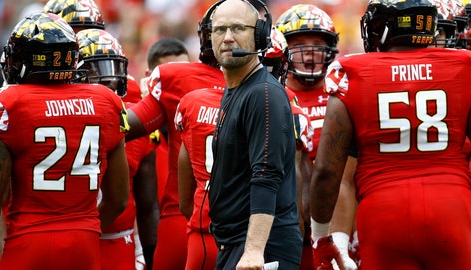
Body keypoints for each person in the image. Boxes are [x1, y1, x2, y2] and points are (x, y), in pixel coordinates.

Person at [310, 0, 471, 269]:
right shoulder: (464, 66)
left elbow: (327, 169)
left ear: (383, 28)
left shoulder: (353, 71)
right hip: (451, 206)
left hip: (384, 212)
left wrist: (321, 238)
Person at [0, 12, 129, 269]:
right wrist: (82, 227)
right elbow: (119, 198)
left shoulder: (7, 103)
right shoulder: (106, 100)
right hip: (84, 242)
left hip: (29, 240)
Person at [125, 6, 226, 270]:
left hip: (184, 217)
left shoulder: (177, 77)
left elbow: (124, 125)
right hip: (246, 223)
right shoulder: (271, 90)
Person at [207, 0, 302, 269]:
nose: (227, 38)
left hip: (259, 247)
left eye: (238, 28)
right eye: (220, 29)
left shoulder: (263, 93)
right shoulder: (237, 88)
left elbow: (266, 175)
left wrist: (253, 251)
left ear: (259, 35)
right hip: (236, 243)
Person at [275, 4, 357, 270]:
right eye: (299, 46)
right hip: (287, 231)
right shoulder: (271, 97)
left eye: (318, 45)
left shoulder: (345, 93)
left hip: (343, 228)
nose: (310, 54)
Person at [75, 28, 158, 270]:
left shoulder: (131, 112)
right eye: (96, 71)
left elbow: (146, 205)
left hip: (115, 239)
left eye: (112, 69)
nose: (108, 79)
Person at [138, 36, 191, 269]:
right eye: (171, 75)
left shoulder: (197, 121)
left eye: (185, 73)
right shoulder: (141, 126)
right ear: (150, 77)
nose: (179, 83)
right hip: (142, 240)